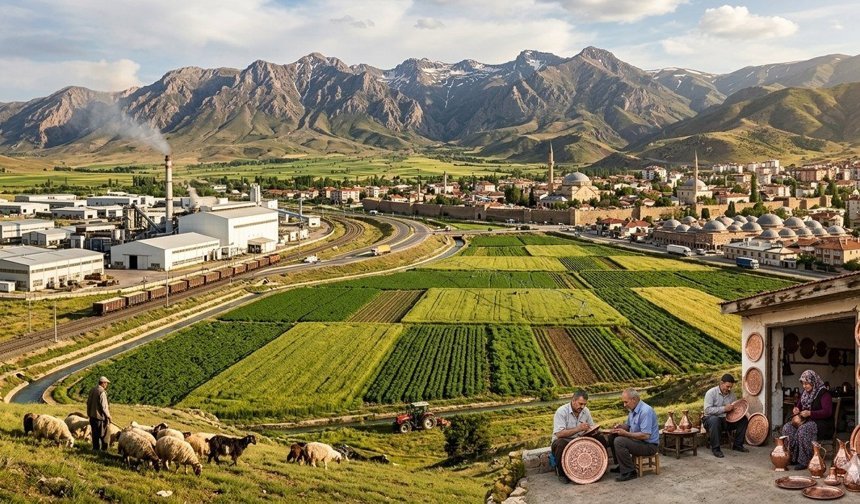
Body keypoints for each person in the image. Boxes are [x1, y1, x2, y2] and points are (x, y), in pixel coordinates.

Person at [782, 370, 833, 470]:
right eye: (803, 383)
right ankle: (793, 457)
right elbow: (799, 407)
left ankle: (804, 460)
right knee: (787, 427)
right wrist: (796, 409)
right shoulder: (805, 394)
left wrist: (811, 413)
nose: (805, 386)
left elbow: (827, 412)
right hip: (806, 421)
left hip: (822, 424)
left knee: (803, 430)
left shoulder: (824, 394)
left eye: (807, 383)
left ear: (813, 382)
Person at [611, 388, 659, 482]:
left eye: (626, 402)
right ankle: (622, 466)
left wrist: (626, 434)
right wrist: (620, 427)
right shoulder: (632, 409)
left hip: (649, 446)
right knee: (612, 436)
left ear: (633, 399)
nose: (624, 405)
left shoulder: (645, 411)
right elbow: (628, 425)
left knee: (619, 441)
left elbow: (645, 435)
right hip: (638, 442)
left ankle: (630, 472)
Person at [551, 390, 597, 483]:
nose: (582, 407)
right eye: (580, 404)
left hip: (579, 439)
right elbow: (559, 434)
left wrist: (591, 430)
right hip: (563, 440)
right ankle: (562, 473)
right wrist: (578, 429)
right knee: (561, 444)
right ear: (573, 400)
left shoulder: (586, 411)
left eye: (584, 404)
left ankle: (596, 469)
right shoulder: (561, 411)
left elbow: (591, 426)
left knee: (599, 438)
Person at [702, 373, 749, 457]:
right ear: (721, 383)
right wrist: (724, 409)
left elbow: (733, 409)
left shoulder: (732, 395)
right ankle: (716, 449)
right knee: (714, 420)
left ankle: (737, 445)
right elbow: (707, 410)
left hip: (726, 420)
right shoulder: (711, 393)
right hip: (709, 420)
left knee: (744, 419)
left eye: (731, 387)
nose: (729, 389)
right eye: (727, 386)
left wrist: (740, 409)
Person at [87, 376, 112, 451]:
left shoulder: (92, 390)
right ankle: (104, 450)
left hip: (92, 416)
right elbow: (104, 407)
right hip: (99, 418)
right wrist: (108, 416)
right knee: (104, 434)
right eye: (106, 383)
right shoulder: (102, 392)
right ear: (103, 383)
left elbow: (88, 403)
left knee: (95, 434)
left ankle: (95, 449)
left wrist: (89, 413)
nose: (106, 385)